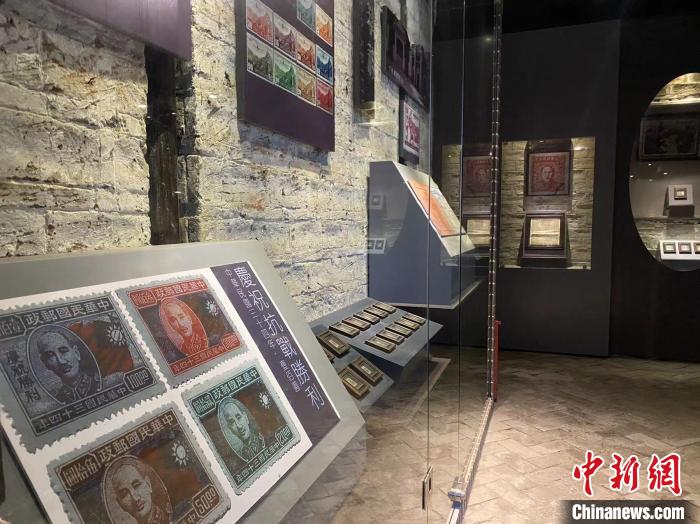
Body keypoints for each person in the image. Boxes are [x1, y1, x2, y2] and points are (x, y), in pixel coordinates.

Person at [36, 328, 99, 404]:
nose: (61, 361)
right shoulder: (56, 400)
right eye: (50, 356)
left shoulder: (101, 383)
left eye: (63, 351)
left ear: (76, 353)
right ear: (45, 363)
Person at [104, 456, 171, 524]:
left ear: (148, 484)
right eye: (125, 494)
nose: (135, 498)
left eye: (137, 485)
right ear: (121, 504)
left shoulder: (167, 518)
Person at [218, 398, 265, 462]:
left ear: (246, 418)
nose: (239, 426)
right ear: (230, 429)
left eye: (239, 417)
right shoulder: (243, 454)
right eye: (232, 422)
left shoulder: (262, 439)